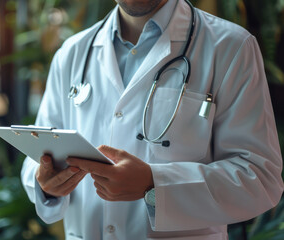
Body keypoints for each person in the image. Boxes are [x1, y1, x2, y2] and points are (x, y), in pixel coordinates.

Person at [21, 0, 284, 239]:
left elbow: (260, 178)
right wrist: (45, 181)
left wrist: (154, 183)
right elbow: (40, 151)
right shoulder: (72, 53)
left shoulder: (230, 47)